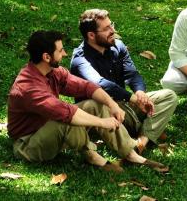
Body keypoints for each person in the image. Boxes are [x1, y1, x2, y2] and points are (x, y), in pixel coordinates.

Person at [8, 30, 169, 173]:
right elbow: (66, 113)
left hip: (49, 129)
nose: (64, 53)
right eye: (60, 50)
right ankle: (92, 157)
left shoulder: (53, 72)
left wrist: (112, 104)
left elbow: (86, 87)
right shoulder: (28, 86)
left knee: (95, 103)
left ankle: (130, 154)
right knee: (66, 118)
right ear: (46, 57)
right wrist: (102, 122)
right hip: (28, 144)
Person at [70, 9, 178, 154]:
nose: (113, 30)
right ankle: (143, 128)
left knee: (169, 96)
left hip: (125, 106)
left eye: (111, 25)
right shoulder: (80, 59)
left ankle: (143, 140)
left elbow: (132, 74)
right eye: (106, 28)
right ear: (91, 35)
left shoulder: (118, 46)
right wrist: (132, 98)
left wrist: (140, 93)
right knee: (101, 106)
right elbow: (99, 83)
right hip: (103, 112)